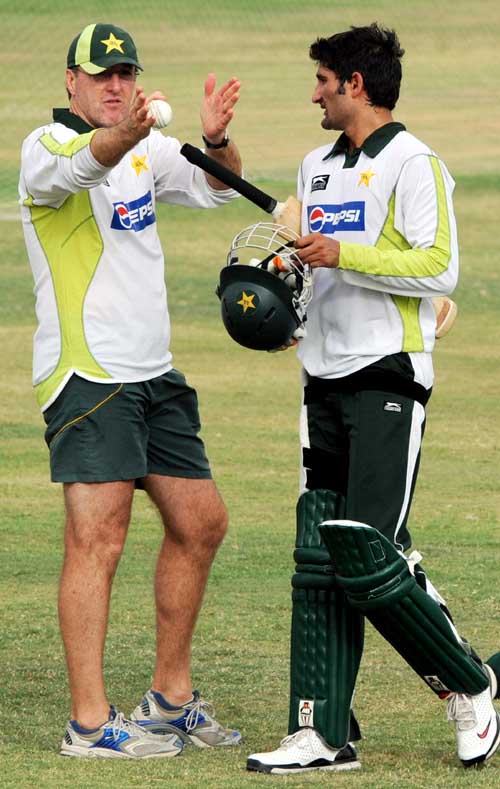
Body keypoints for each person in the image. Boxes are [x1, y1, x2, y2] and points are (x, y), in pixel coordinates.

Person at [246, 23, 500, 774]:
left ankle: (471, 687)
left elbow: (439, 268)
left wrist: (341, 253)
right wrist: (287, 287)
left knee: (365, 547)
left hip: (388, 374)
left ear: (355, 84)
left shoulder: (416, 163)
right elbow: (320, 272)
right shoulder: (315, 165)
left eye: (323, 80)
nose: (315, 93)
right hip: (320, 378)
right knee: (318, 552)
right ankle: (320, 731)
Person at [19, 22, 244, 759]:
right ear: (71, 82)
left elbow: (216, 186)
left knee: (201, 521)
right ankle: (88, 723)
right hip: (90, 375)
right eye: (101, 74)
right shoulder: (45, 150)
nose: (116, 85)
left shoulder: (146, 146)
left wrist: (213, 142)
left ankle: (170, 698)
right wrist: (134, 129)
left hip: (155, 374)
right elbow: (90, 160)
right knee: (98, 540)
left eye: (126, 74)